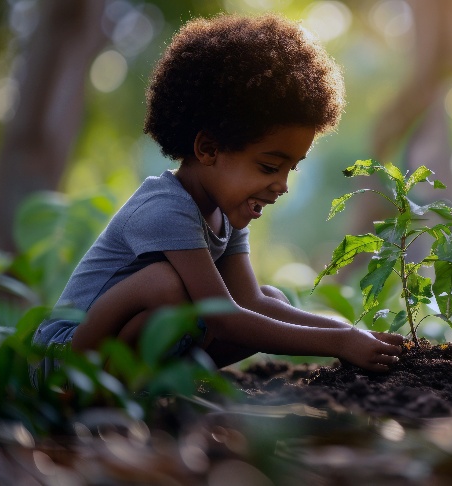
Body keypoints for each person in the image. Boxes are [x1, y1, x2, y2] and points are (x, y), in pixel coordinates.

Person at [31, 13, 402, 382]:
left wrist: (351, 333)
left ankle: (154, 388)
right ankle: (82, 394)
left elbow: (250, 303)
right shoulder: (165, 207)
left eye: (292, 168)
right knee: (164, 285)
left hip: (124, 348)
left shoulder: (225, 211)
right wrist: (339, 342)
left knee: (272, 301)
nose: (283, 185)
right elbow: (224, 317)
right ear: (208, 148)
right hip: (60, 361)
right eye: (269, 166)